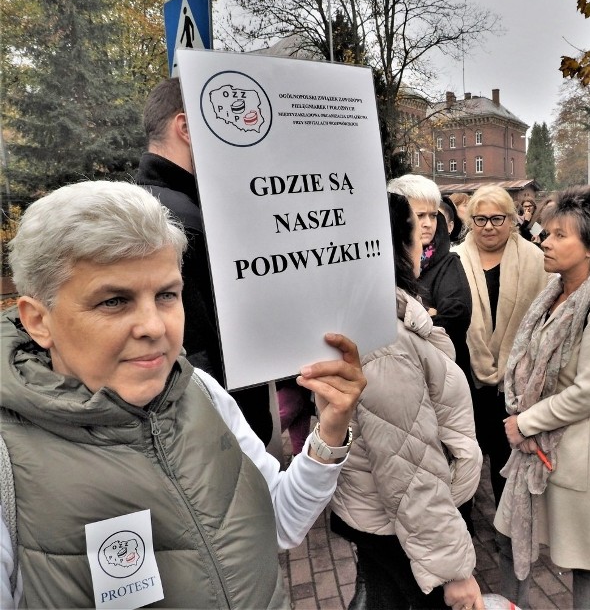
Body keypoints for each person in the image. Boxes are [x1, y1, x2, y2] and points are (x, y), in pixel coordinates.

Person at [0, 181, 366, 608]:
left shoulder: (200, 390)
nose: (154, 326)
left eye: (166, 295)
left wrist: (331, 431)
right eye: (115, 301)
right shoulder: (7, 464)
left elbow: (280, 523)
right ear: (38, 320)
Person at [329, 193, 483, 610]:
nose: (424, 246)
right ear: (395, 246)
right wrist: (453, 571)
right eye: (418, 234)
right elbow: (409, 464)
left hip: (385, 518)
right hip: (396, 525)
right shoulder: (385, 339)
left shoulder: (379, 318)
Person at [496, 185, 590, 610]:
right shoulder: (553, 294)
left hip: (580, 457)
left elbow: (588, 394)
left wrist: (524, 422)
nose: (545, 240)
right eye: (547, 232)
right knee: (508, 540)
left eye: (560, 235)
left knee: (588, 563)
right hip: (535, 454)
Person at [136, 77, 273, 444]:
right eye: (224, 118)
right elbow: (197, 349)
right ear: (186, 128)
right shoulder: (182, 219)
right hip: (221, 432)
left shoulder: (147, 202)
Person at [452, 185, 549, 506]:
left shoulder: (536, 259)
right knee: (464, 454)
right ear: (470, 221)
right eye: (480, 219)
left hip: (518, 378)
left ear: (512, 219)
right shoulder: (453, 262)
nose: (489, 226)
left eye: (497, 218)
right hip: (466, 377)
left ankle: (506, 527)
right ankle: (464, 522)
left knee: (507, 458)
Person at [387, 175, 473, 382]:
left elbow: (456, 316)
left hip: (444, 374)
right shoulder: (382, 260)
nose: (427, 224)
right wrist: (427, 312)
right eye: (420, 215)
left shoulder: (448, 261)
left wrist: (416, 319)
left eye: (433, 215)